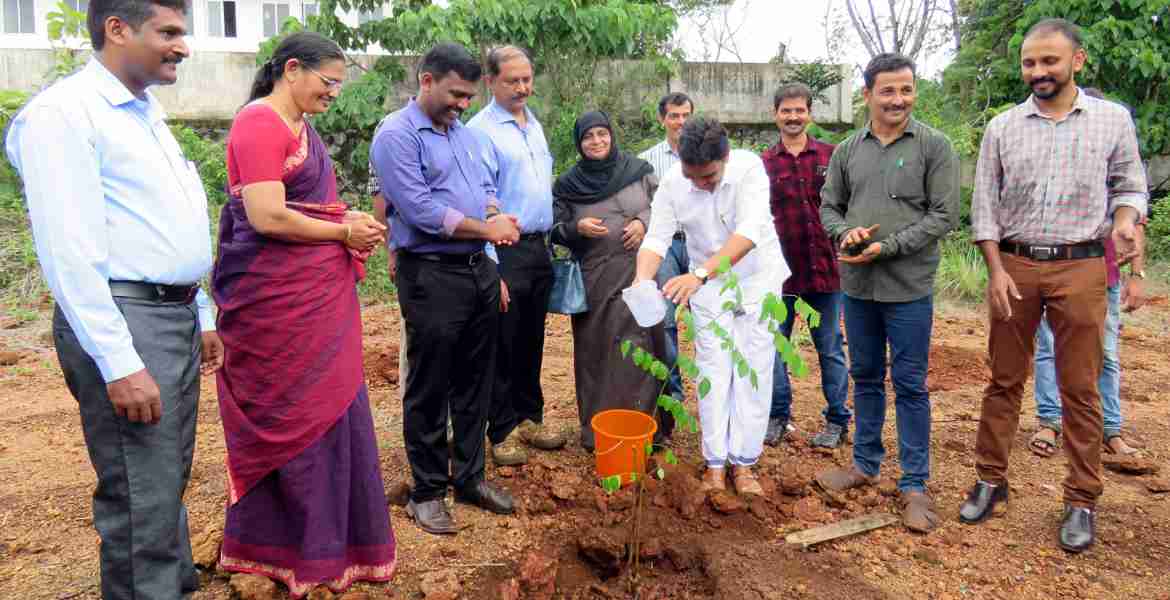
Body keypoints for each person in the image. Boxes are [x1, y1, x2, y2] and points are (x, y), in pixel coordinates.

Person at [6, 1, 221, 597]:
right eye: (170, 32)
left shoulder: (142, 113)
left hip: (169, 314)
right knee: (140, 494)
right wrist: (119, 361)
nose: (183, 47)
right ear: (117, 29)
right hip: (126, 321)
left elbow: (157, 226)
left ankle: (173, 588)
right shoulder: (63, 115)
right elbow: (69, 253)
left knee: (165, 478)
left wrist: (198, 310)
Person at [212, 32, 396, 596]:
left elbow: (308, 208)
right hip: (274, 304)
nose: (335, 93)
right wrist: (342, 229)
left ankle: (334, 545)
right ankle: (277, 548)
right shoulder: (259, 123)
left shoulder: (300, 128)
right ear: (292, 70)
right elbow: (268, 216)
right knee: (292, 415)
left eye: (339, 85)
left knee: (333, 404)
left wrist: (349, 221)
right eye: (329, 81)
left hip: (317, 301)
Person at [960, 19, 1147, 553]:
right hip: (1015, 266)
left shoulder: (1112, 121)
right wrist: (995, 269)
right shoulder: (1003, 126)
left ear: (1077, 62)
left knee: (1080, 387)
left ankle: (1082, 499)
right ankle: (991, 482)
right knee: (1003, 380)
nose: (1038, 72)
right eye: (1029, 63)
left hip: (1084, 265)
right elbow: (985, 206)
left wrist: (1125, 221)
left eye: (1049, 61)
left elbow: (1130, 185)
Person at [372, 42, 520, 536]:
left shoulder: (467, 137)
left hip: (477, 271)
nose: (462, 104)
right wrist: (486, 228)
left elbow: (483, 194)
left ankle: (470, 479)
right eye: (456, 93)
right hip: (430, 274)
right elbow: (420, 212)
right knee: (430, 386)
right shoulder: (396, 135)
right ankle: (428, 491)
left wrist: (496, 217)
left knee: (475, 381)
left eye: (468, 96)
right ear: (427, 80)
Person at [816, 53, 959, 533]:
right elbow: (829, 206)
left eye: (906, 90)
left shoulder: (934, 147)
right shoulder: (847, 151)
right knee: (866, 375)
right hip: (857, 287)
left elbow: (944, 215)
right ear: (868, 95)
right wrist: (846, 236)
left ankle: (914, 484)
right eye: (888, 91)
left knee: (912, 384)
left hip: (909, 288)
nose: (898, 100)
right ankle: (864, 464)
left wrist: (888, 246)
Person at [634, 117, 790, 496]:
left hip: (757, 281)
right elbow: (656, 237)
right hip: (707, 289)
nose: (700, 184)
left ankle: (744, 463)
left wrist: (700, 274)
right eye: (693, 177)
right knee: (714, 373)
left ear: (726, 156)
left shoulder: (749, 168)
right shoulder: (674, 181)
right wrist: (641, 280)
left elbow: (749, 234)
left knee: (753, 372)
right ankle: (716, 464)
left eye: (709, 177)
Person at [1028, 86, 1147, 460]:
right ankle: (1049, 420)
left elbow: (1134, 219)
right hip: (1053, 272)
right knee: (1049, 350)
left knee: (1106, 354)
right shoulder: (1053, 159)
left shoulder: (1116, 161)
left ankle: (1110, 428)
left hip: (1103, 276)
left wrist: (1137, 276)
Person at [468, 45, 566, 466]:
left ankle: (529, 416)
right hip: (504, 249)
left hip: (539, 248)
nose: (522, 87)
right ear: (490, 82)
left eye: (527, 79)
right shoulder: (481, 130)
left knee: (531, 337)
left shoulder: (534, 125)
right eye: (512, 80)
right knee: (502, 342)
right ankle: (502, 428)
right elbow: (478, 200)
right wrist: (492, 264)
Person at [551, 111, 668, 453]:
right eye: (588, 136)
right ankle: (599, 432)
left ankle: (651, 428)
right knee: (598, 353)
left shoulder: (639, 171)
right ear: (579, 142)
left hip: (640, 274)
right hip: (595, 279)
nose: (597, 141)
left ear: (612, 135)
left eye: (602, 133)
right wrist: (577, 229)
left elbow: (664, 207)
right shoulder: (568, 185)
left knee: (645, 346)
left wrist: (644, 222)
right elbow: (554, 228)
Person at [760, 82, 851, 449]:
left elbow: (849, 206)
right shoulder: (763, 164)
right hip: (779, 277)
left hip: (825, 274)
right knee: (776, 348)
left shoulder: (834, 157)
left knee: (829, 347)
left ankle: (838, 420)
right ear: (775, 115)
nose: (793, 117)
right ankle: (778, 416)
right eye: (786, 111)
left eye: (800, 110)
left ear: (810, 114)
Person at [639, 92, 693, 424]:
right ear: (663, 119)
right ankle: (672, 396)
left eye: (686, 114)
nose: (681, 121)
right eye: (674, 115)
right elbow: (642, 208)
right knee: (667, 322)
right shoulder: (646, 162)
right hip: (667, 246)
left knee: (711, 319)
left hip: (701, 246)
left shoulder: (706, 153)